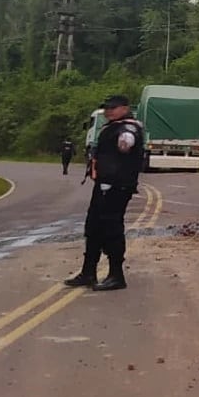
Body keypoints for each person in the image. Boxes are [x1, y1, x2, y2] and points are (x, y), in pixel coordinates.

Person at [65, 95, 144, 291]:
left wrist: (125, 141)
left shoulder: (128, 127)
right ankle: (88, 272)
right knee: (93, 227)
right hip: (102, 185)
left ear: (125, 108)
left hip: (117, 186)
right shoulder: (111, 126)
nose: (109, 110)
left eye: (113, 107)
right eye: (107, 107)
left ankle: (116, 275)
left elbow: (128, 140)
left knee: (112, 229)